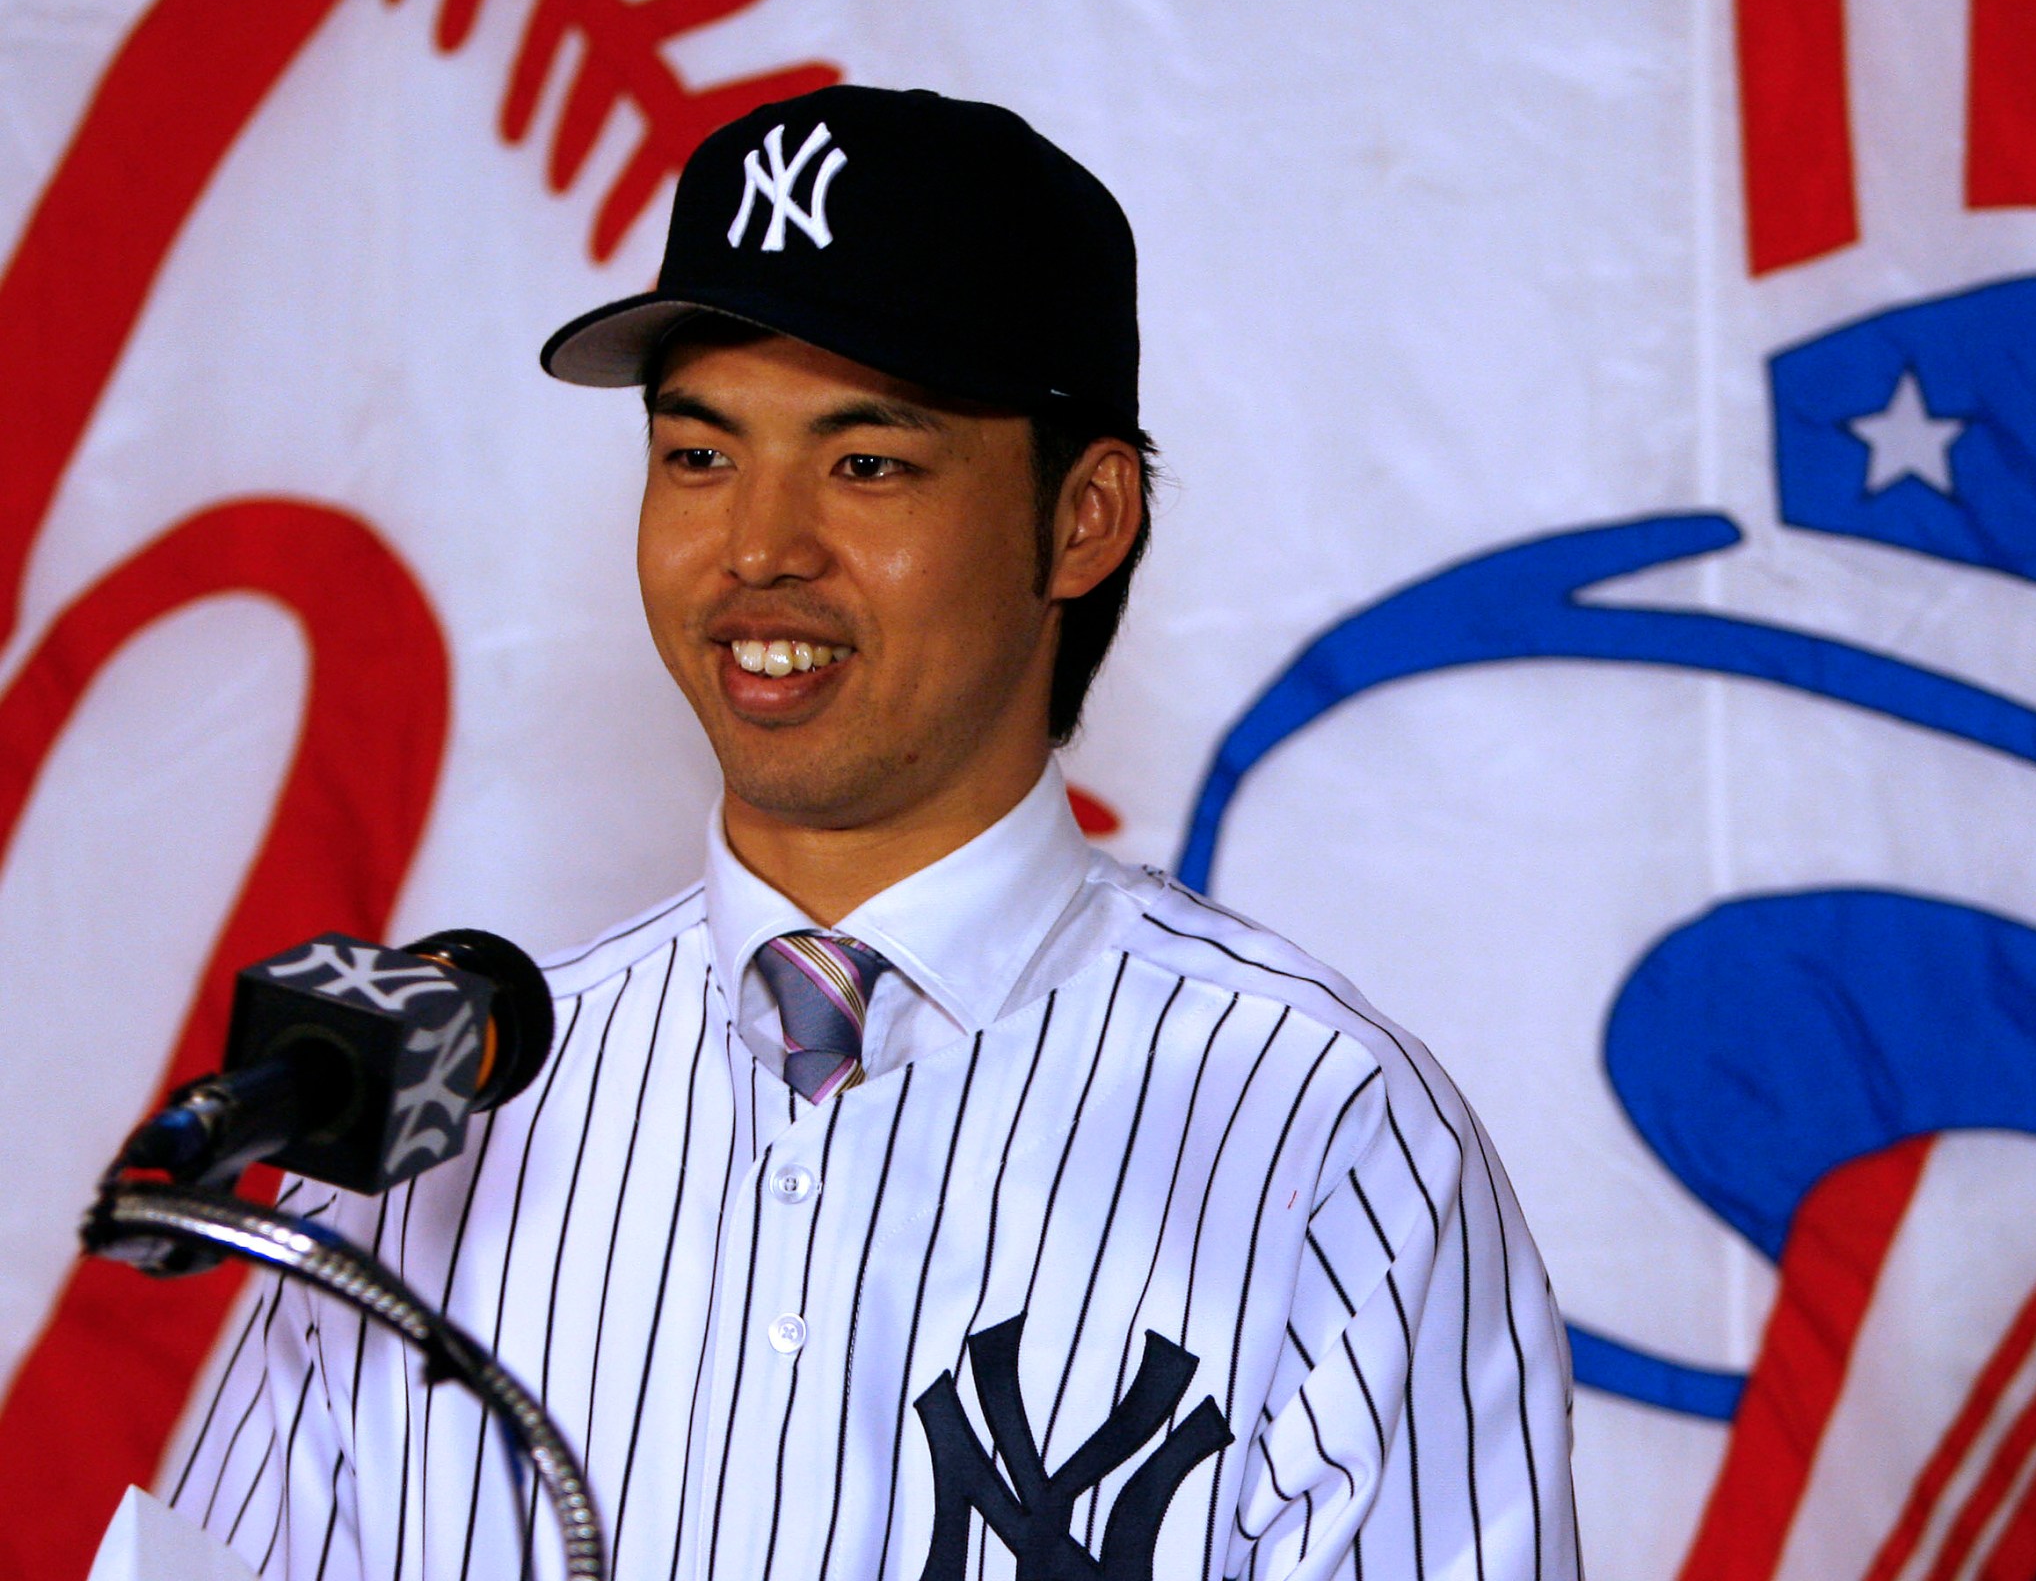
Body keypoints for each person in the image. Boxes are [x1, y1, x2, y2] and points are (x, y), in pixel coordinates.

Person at [172, 85, 1578, 1580]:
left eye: (868, 463)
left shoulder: (1328, 1134)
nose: (760, 550)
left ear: (1084, 519)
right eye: (700, 457)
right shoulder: (436, 1101)